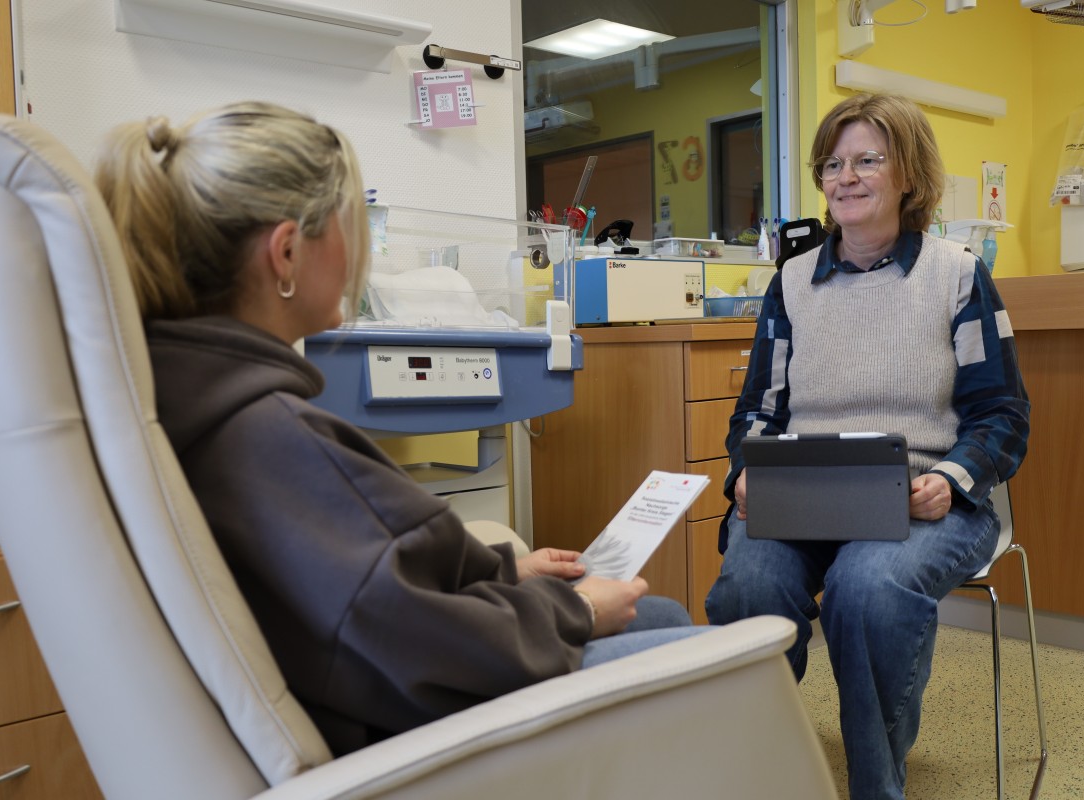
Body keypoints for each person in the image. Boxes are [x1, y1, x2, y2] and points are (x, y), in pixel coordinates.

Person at [93, 101, 707, 758]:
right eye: (353, 224)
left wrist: (505, 571)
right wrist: (576, 612)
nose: (360, 252)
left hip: (358, 694)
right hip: (411, 734)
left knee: (655, 613)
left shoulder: (188, 391)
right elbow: (415, 639)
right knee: (718, 661)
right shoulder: (272, 437)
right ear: (288, 252)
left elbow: (358, 579)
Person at [704, 93, 1030, 800]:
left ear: (907, 173)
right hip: (805, 496)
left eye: (867, 161)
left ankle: (876, 788)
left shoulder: (956, 274)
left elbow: (1002, 416)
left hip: (925, 499)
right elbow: (759, 410)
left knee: (868, 587)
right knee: (749, 585)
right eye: (832, 163)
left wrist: (950, 476)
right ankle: (762, 769)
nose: (844, 177)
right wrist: (743, 475)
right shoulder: (793, 282)